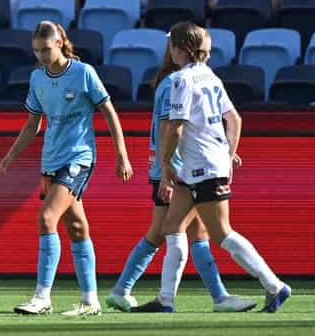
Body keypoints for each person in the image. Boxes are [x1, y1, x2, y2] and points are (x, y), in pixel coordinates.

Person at [132, 21, 291, 313]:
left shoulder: (182, 79)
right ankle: (165, 300)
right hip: (203, 163)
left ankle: (275, 286)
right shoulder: (211, 77)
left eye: (172, 45)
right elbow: (235, 120)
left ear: (179, 48)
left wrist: (165, 163)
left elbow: (176, 128)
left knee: (221, 233)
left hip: (199, 165)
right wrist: (229, 155)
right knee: (172, 226)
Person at [106, 35, 256, 313]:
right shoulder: (176, 83)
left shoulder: (174, 81)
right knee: (164, 233)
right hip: (176, 169)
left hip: (176, 168)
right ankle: (123, 290)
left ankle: (218, 297)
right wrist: (168, 170)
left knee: (191, 232)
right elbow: (170, 129)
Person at [0, 20, 133, 316]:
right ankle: (90, 301)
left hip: (79, 158)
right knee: (76, 226)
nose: (41, 56)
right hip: (51, 161)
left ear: (60, 42)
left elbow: (108, 112)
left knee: (47, 217)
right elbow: (33, 123)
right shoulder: (37, 78)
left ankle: (42, 297)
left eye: (45, 49)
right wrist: (11, 155)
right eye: (36, 51)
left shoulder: (83, 73)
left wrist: (121, 154)